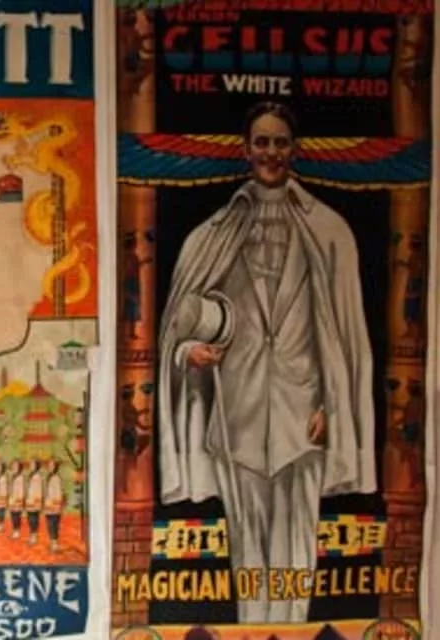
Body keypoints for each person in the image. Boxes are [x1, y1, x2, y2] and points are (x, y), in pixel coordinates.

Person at [156, 101, 375, 623]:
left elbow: (347, 336)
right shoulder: (212, 234)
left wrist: (332, 405)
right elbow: (177, 332)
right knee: (248, 548)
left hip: (305, 418)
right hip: (237, 415)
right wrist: (190, 353)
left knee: (297, 545)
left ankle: (292, 631)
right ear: (246, 149)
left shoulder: (330, 230)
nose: (271, 152)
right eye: (262, 142)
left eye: (280, 142)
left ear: (294, 148)